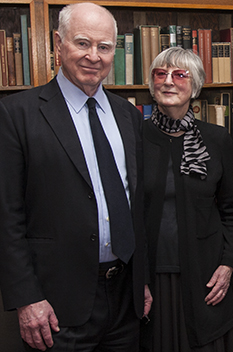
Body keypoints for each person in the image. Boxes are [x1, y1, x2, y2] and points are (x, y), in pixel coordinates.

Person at [0, 2, 151, 351]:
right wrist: (27, 299)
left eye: (104, 47)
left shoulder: (128, 115)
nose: (93, 56)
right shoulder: (16, 115)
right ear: (58, 44)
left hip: (125, 299)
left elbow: (135, 204)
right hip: (55, 305)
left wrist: (140, 281)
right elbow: (7, 216)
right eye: (82, 43)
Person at [141, 47, 233, 352]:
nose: (169, 81)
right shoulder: (134, 136)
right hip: (150, 277)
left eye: (180, 74)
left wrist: (229, 265)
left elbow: (232, 210)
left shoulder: (217, 139)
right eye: (161, 74)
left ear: (195, 85)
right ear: (152, 83)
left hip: (205, 275)